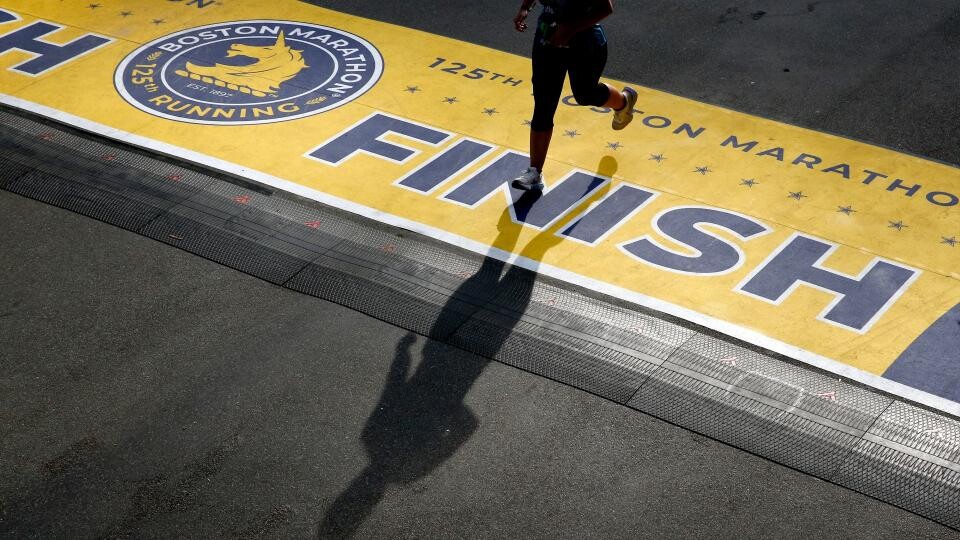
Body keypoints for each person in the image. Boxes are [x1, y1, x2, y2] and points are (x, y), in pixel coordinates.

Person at [511, 0, 637, 191]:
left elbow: (605, 8)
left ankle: (623, 102)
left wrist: (569, 31)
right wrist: (525, 8)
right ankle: (535, 172)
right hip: (548, 41)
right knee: (544, 104)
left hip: (585, 44)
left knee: (585, 95)